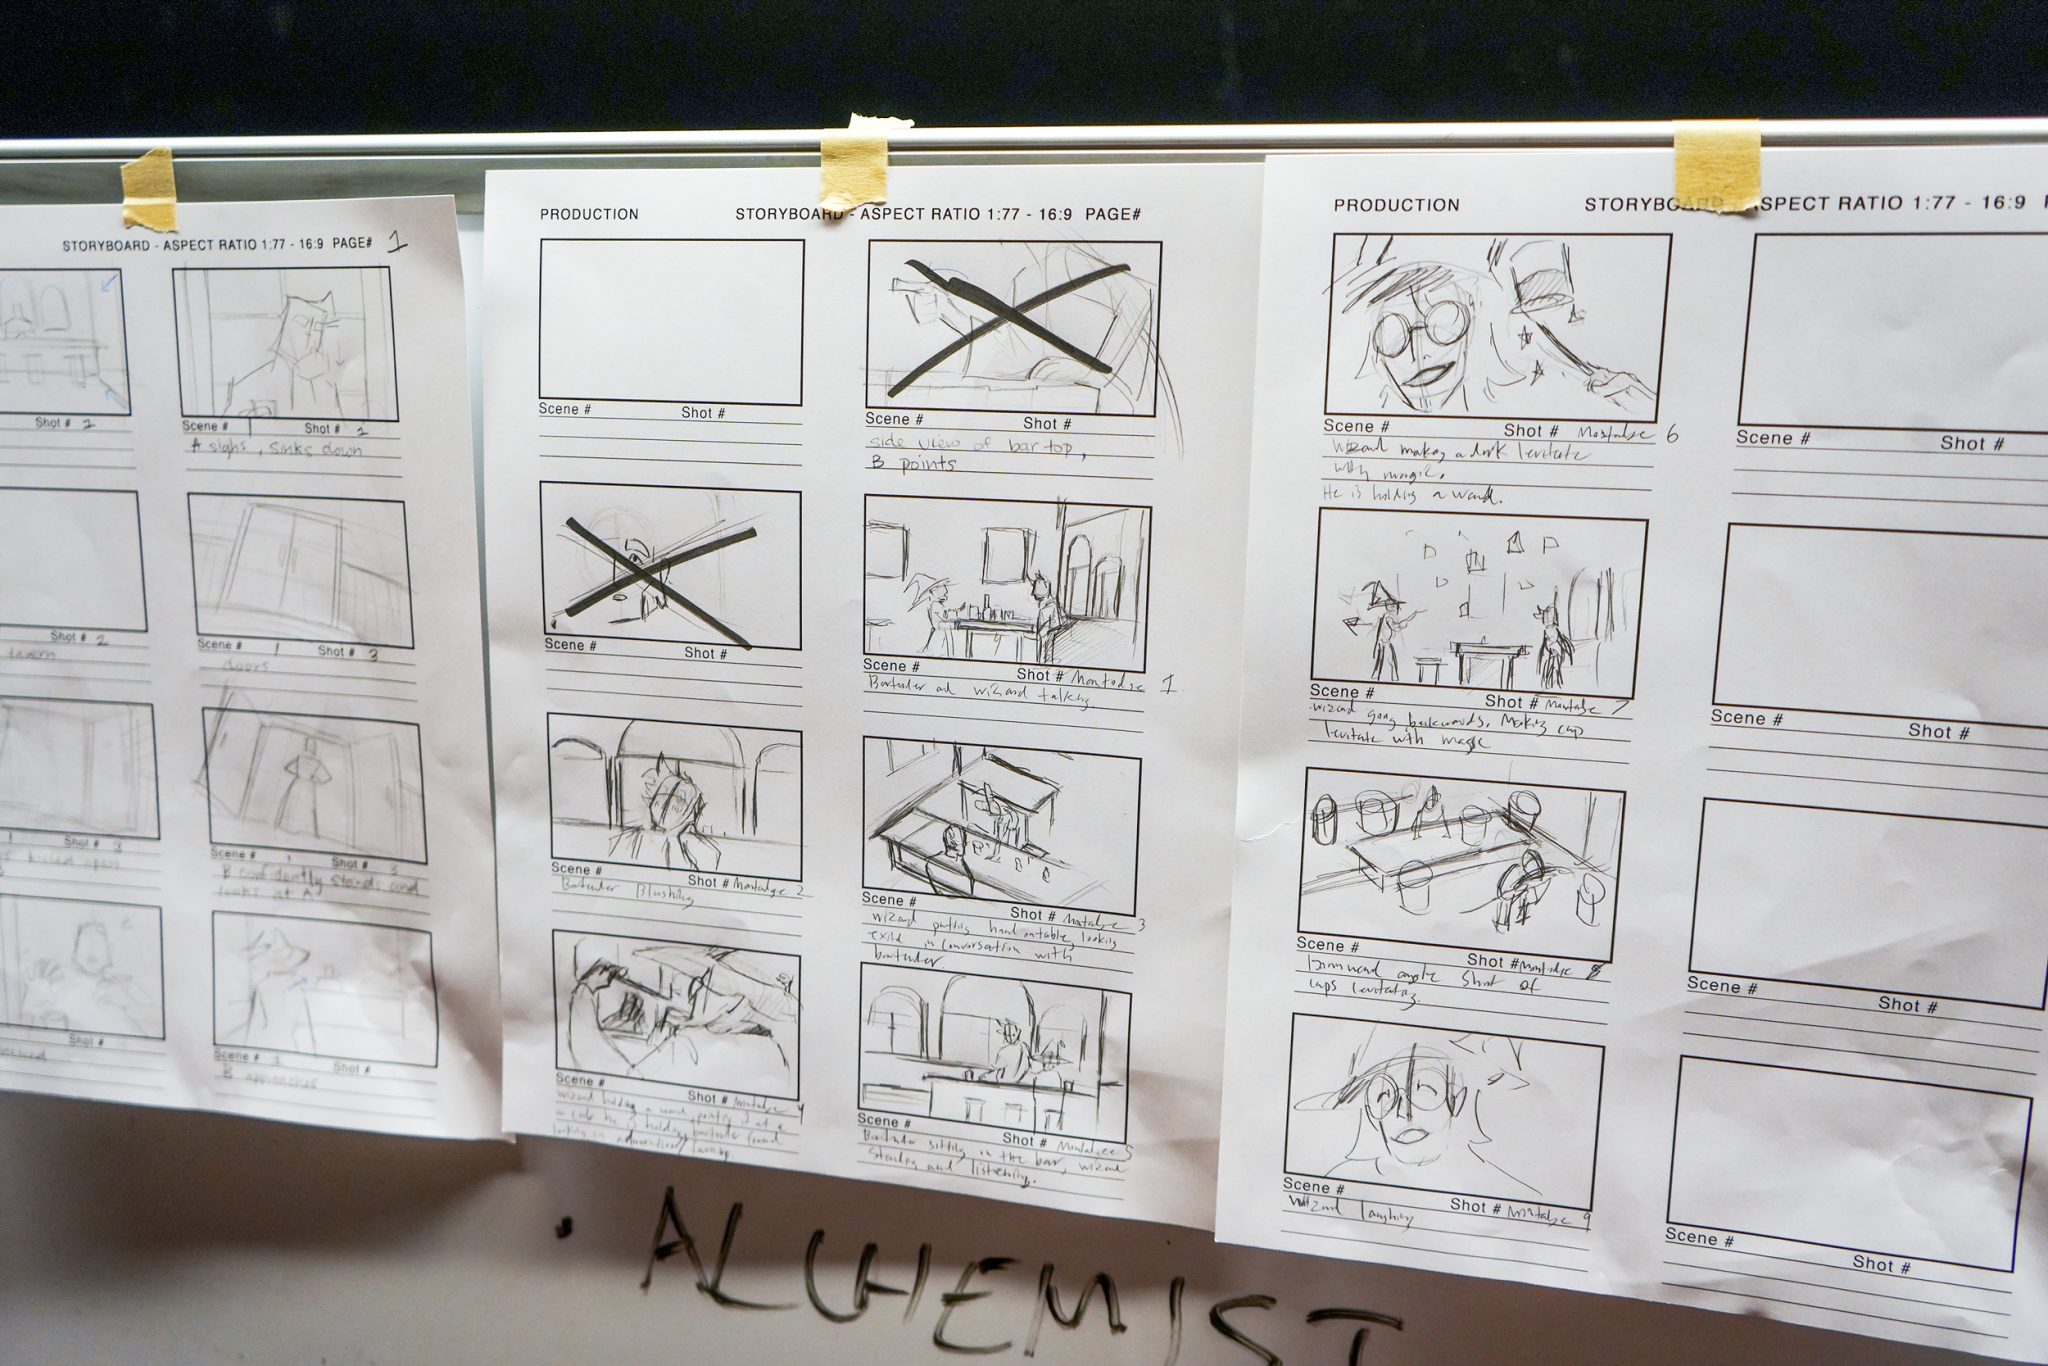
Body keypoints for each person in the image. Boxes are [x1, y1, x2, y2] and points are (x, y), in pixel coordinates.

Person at [223, 292, 345, 418]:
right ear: (284, 322)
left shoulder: (325, 386)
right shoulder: (249, 387)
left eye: (318, 327)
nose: (312, 334)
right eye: (302, 322)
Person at [1344, 581, 1420, 683]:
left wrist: (1405, 621)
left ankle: (1378, 676)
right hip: (1385, 642)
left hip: (1383, 641)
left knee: (1383, 659)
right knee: (1390, 660)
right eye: (1392, 605)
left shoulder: (1389, 615)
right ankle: (1391, 677)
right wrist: (1405, 622)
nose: (1394, 607)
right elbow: (1395, 627)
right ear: (1388, 607)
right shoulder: (1389, 616)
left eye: (1394, 605)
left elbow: (1394, 627)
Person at [275, 737, 331, 839]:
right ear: (314, 749)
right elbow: (327, 778)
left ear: (306, 747)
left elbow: (287, 767)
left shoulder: (300, 758)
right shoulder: (317, 763)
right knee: (306, 807)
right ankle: (307, 831)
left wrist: (297, 773)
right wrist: (315, 779)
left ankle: (287, 827)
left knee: (293, 805)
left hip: (298, 783)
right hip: (308, 786)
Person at [1534, 602, 1574, 691]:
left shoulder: (1553, 629)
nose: (1545, 618)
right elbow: (1550, 641)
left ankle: (1555, 686)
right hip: (1551, 653)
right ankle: (1551, 685)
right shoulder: (1549, 629)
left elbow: (1560, 641)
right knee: (1550, 669)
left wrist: (1563, 649)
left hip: (1555, 652)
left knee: (1554, 669)